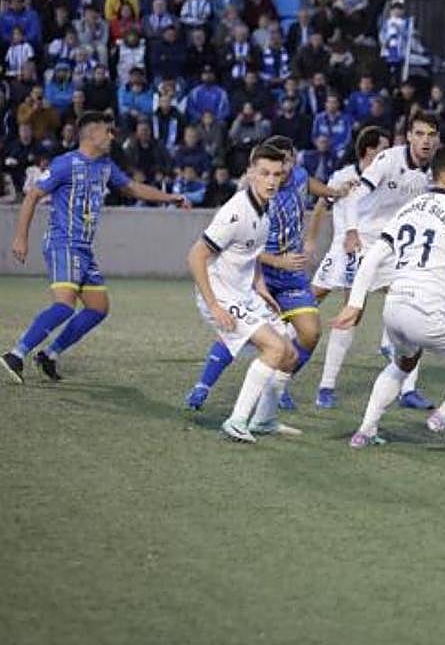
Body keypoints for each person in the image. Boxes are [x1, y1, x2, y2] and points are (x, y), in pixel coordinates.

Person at [332, 146, 445, 448]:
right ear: (444, 176)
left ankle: (365, 431)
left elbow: (373, 256)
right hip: (426, 312)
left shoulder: (410, 208)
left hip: (394, 309)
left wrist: (355, 303)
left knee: (404, 363)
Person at [1, 112, 187, 383]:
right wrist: (20, 237)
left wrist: (171, 197)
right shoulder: (66, 163)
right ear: (92, 134)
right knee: (64, 306)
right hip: (63, 242)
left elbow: (133, 188)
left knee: (98, 308)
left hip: (83, 248)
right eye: (107, 132)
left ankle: (49, 354)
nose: (112, 136)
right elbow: (33, 195)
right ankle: (16, 354)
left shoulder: (105, 165)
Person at [184, 136, 347, 410]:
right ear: (253, 172)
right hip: (245, 280)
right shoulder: (246, 203)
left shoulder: (283, 189)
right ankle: (225, 405)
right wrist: (275, 265)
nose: (276, 176)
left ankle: (274, 389)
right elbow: (213, 252)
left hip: (275, 278)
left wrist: (338, 192)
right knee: (252, 335)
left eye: (282, 167)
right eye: (268, 171)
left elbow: (318, 193)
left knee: (305, 335)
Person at [322, 112, 443, 408]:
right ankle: (326, 385)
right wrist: (351, 231)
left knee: (414, 308)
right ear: (409, 137)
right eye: (420, 133)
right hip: (365, 240)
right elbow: (353, 196)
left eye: (431, 134)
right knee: (353, 309)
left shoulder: (435, 171)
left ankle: (408, 390)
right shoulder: (388, 160)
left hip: (399, 246)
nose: (425, 140)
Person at [185, 142, 300, 442]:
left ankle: (264, 420)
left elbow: (251, 257)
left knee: (289, 352)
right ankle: (236, 421)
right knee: (274, 349)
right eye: (264, 173)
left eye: (277, 174)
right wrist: (214, 305)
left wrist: (262, 290)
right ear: (250, 174)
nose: (272, 180)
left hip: (243, 293)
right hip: (221, 296)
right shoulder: (235, 213)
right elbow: (195, 256)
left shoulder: (266, 208)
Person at [308, 128, 391, 407]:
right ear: (369, 150)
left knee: (354, 312)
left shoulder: (387, 176)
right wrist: (310, 239)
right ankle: (276, 353)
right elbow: (322, 204)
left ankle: (326, 386)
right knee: (307, 304)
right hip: (340, 251)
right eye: (384, 147)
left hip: (369, 254)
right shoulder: (344, 176)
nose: (389, 153)